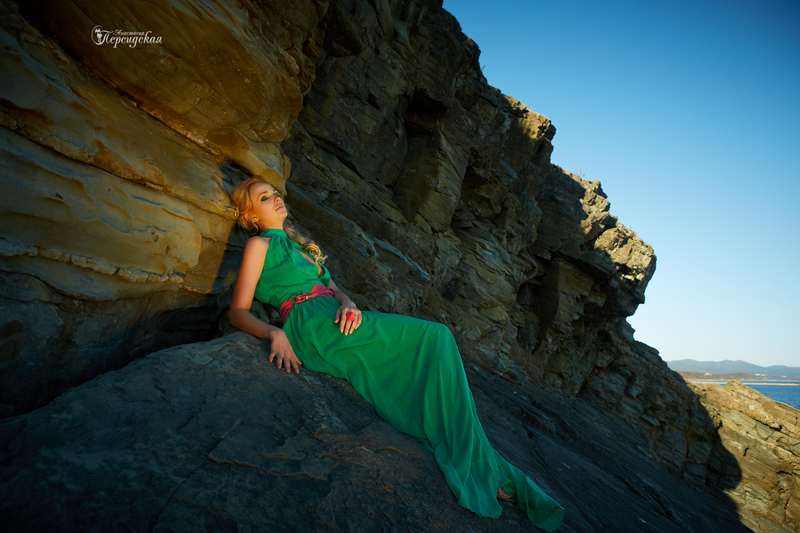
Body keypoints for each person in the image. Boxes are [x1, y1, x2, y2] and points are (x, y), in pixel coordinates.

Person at [228, 177, 565, 531]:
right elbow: (238, 311)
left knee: (430, 365)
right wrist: (275, 333)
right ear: (250, 216)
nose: (276, 198)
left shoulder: (302, 248)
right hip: (311, 326)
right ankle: (482, 469)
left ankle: (484, 466)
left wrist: (349, 303)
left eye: (275, 192)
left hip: (338, 317)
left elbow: (336, 290)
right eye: (264, 198)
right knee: (436, 337)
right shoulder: (259, 245)